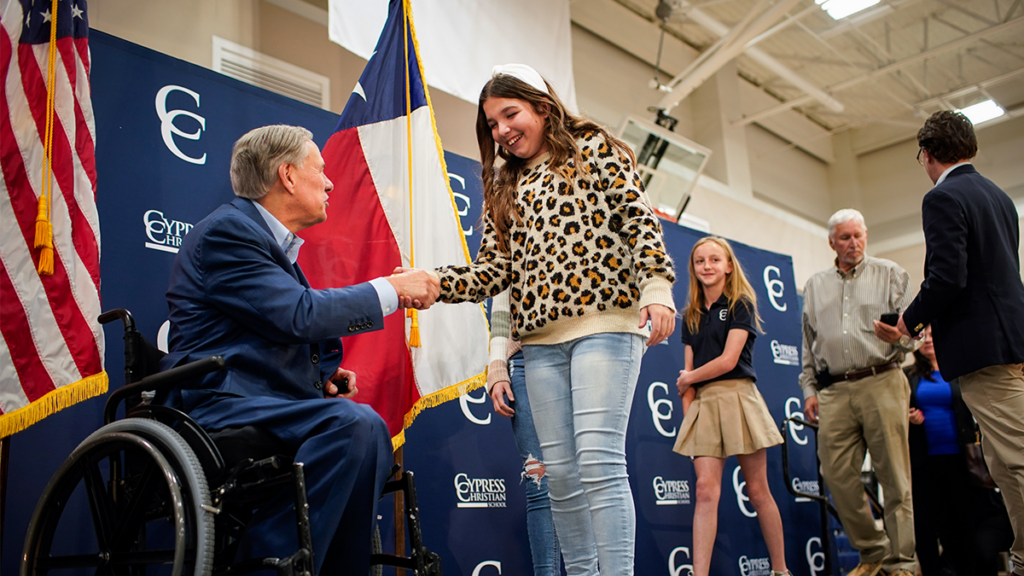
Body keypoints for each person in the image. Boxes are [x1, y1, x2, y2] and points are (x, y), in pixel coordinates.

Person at [429, 63, 676, 574]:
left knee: (599, 463)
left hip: (605, 326)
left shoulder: (595, 148)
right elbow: (494, 270)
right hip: (538, 345)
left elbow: (638, 218)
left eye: (510, 114)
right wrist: (434, 284)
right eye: (491, 123)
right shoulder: (502, 182)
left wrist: (656, 286)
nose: (501, 131)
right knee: (559, 475)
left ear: (543, 108)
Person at [160, 125, 440, 576]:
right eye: (321, 171)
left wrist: (320, 377)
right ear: (288, 176)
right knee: (357, 425)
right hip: (220, 407)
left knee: (364, 429)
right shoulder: (228, 233)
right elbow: (298, 315)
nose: (329, 184)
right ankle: (264, 568)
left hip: (265, 401)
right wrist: (390, 289)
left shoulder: (272, 246)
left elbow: (266, 328)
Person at [898, 110, 1024, 576]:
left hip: (985, 351)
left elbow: (948, 276)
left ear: (928, 155)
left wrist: (909, 322)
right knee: (1004, 467)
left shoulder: (943, 196)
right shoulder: (998, 196)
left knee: (1018, 460)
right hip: (1009, 342)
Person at [800, 208, 918, 576]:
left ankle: (903, 563)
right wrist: (809, 387)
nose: (854, 243)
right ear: (832, 242)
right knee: (835, 474)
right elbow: (808, 342)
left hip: (883, 379)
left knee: (895, 479)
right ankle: (874, 551)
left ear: (866, 235)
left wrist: (901, 338)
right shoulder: (816, 284)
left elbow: (917, 336)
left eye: (859, 235)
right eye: (846, 238)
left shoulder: (892, 274)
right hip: (834, 389)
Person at [672, 237, 788, 576]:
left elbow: (728, 360)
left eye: (714, 260)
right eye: (699, 261)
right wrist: (689, 416)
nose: (706, 266)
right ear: (693, 269)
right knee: (705, 490)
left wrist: (688, 378)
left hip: (739, 398)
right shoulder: (690, 315)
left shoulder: (741, 303)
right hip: (703, 406)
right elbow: (687, 383)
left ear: (728, 266)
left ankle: (781, 570)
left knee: (757, 490)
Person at [907, 326, 1014, 576]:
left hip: (960, 460)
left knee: (962, 526)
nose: (929, 340)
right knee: (928, 526)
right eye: (924, 336)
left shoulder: (958, 372)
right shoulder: (907, 376)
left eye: (934, 334)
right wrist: (908, 415)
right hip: (923, 461)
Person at [488, 289, 562, 575]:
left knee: (588, 480)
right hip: (523, 359)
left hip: (579, 357)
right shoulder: (507, 243)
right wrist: (497, 368)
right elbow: (501, 307)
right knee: (538, 482)